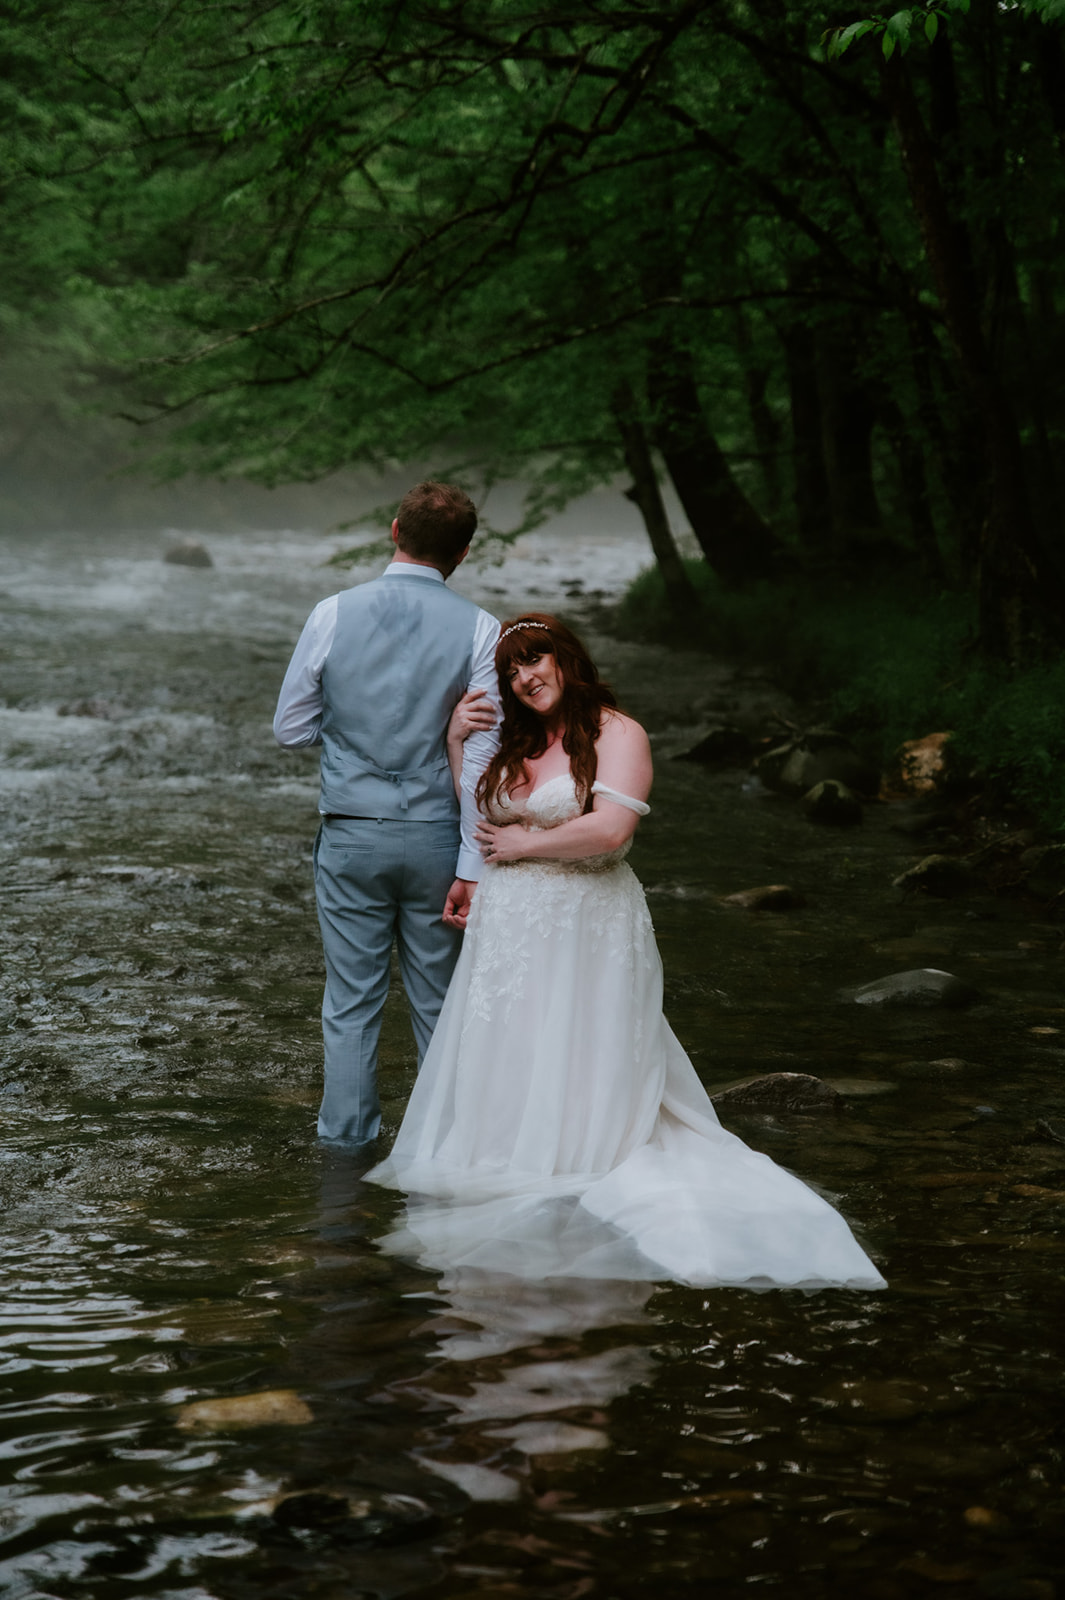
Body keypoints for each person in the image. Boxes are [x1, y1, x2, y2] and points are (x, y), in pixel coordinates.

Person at [366, 614, 885, 1290]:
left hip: (588, 915)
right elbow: (483, 818)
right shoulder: (516, 741)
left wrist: (523, 846)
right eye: (512, 671)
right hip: (511, 923)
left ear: (566, 658)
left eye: (536, 660)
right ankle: (510, 1152)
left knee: (581, 1039)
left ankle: (581, 1153)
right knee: (512, 1041)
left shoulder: (619, 733)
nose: (525, 678)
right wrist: (457, 742)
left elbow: (609, 832)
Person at [273, 482, 501, 1146]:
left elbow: (289, 729)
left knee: (350, 1004)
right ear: (461, 552)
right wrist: (472, 865)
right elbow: (481, 760)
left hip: (351, 832)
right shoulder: (482, 628)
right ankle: (439, 1148)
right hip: (437, 838)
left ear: (394, 529)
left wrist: (350, 731)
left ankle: (345, 1146)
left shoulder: (332, 613)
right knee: (438, 1003)